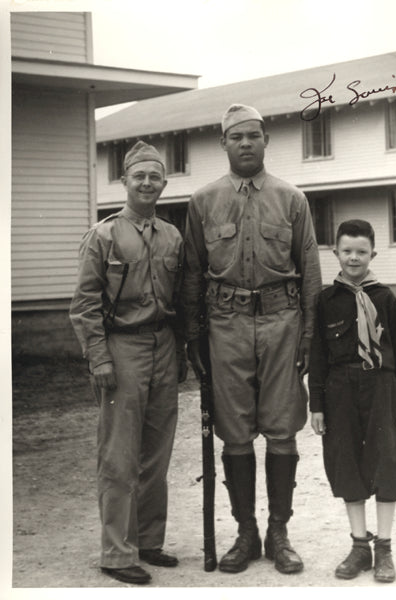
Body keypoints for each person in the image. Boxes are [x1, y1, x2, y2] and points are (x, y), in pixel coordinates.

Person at [182, 103, 322, 575]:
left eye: (254, 136)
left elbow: (310, 272)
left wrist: (308, 335)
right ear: (223, 143)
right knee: (235, 429)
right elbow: (192, 275)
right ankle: (246, 532)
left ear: (266, 141)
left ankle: (278, 532)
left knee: (283, 426)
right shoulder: (203, 202)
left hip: (283, 321)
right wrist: (195, 339)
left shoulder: (291, 198)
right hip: (226, 325)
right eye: (236, 137)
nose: (246, 144)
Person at [70, 141, 186, 585]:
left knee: (157, 450)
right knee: (119, 455)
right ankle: (117, 554)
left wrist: (179, 354)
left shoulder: (173, 236)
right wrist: (98, 358)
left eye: (155, 176)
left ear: (164, 183)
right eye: (139, 176)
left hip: (162, 346)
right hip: (121, 348)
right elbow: (84, 306)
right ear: (124, 181)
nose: (147, 183)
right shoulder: (103, 235)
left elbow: (177, 301)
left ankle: (149, 540)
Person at [308, 219, 396, 583]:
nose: (354, 258)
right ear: (335, 253)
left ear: (373, 254)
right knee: (346, 461)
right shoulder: (325, 301)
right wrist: (317, 405)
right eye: (347, 251)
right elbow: (318, 357)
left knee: (387, 461)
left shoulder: (384, 297)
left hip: (383, 389)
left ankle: (384, 547)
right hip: (340, 390)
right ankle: (359, 546)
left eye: (362, 252)